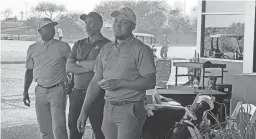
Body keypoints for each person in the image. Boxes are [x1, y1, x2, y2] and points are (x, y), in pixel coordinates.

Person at [77, 7, 156, 139]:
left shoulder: (141, 49)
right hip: (108, 108)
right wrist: (83, 111)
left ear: (133, 26)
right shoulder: (106, 49)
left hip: (130, 108)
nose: (117, 25)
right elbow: (96, 81)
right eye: (115, 21)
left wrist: (120, 83)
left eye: (123, 22)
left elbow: (150, 81)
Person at [23, 17, 70, 139]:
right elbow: (29, 70)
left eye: (52, 27)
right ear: (40, 31)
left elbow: (72, 67)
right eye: (47, 27)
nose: (52, 30)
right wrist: (25, 91)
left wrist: (72, 83)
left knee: (59, 127)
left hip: (57, 90)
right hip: (40, 91)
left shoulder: (63, 46)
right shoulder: (32, 48)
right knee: (44, 128)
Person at [66, 12, 111, 139]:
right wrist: (93, 67)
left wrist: (79, 63)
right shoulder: (78, 44)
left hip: (98, 95)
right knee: (74, 130)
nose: (87, 25)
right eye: (85, 23)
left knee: (99, 131)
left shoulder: (108, 45)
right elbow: (68, 67)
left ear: (100, 24)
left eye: (90, 22)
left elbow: (105, 68)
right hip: (77, 93)